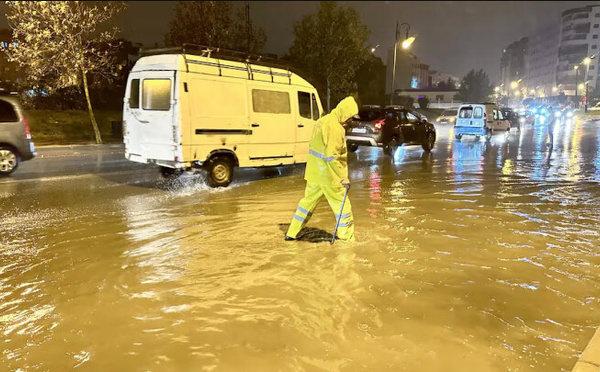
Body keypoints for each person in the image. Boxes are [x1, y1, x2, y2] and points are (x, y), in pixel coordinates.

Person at [285, 96, 359, 242]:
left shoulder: (322, 121)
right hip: (329, 176)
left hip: (314, 174)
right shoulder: (336, 128)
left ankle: (292, 232)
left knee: (306, 204)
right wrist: (343, 178)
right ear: (344, 113)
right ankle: (347, 239)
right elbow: (332, 156)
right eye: (350, 118)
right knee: (344, 209)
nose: (350, 121)